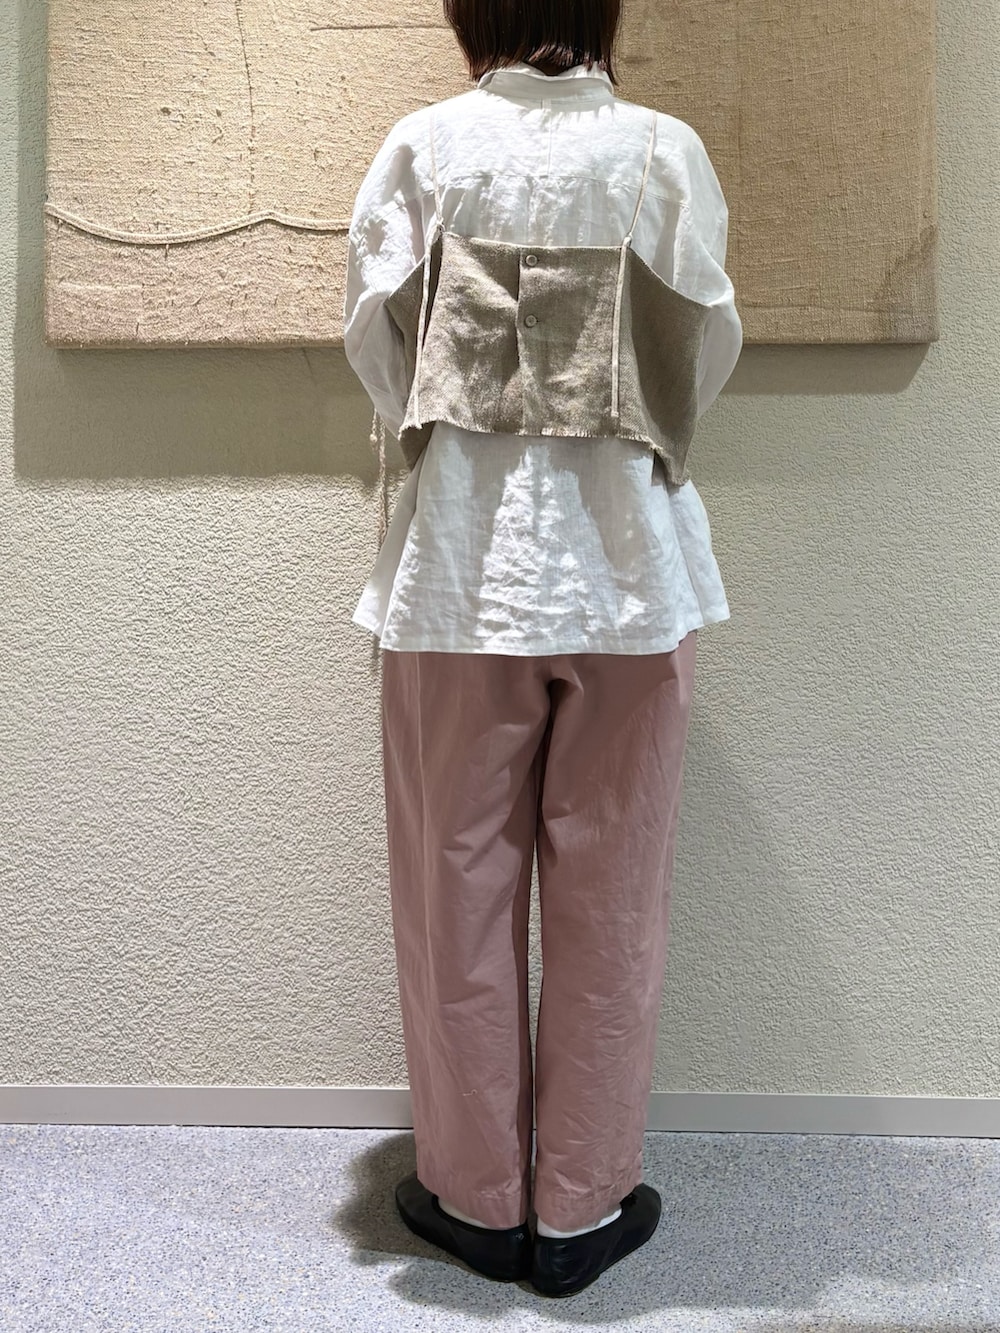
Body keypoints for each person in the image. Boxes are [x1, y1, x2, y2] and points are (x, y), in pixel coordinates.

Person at [343, 0, 742, 1299]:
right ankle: (579, 1206)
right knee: (614, 890)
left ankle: (475, 1199)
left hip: (463, 572)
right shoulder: (665, 151)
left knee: (453, 888)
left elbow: (375, 340)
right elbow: (707, 344)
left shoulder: (423, 146)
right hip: (632, 572)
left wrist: (463, 445)